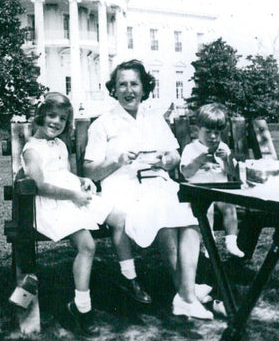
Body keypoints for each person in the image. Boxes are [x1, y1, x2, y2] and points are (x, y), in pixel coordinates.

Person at [83, 60, 214, 320]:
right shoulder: (103, 124)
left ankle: (185, 294)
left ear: (144, 88)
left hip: (158, 182)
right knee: (164, 215)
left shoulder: (154, 120)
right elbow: (89, 171)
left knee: (189, 219)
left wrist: (167, 160)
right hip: (123, 189)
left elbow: (175, 156)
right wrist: (117, 161)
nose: (128, 90)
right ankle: (188, 295)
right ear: (114, 89)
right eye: (122, 84)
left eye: (134, 84)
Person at [21, 92, 150, 337]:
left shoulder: (59, 144)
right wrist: (73, 195)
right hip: (51, 205)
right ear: (40, 116)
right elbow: (40, 185)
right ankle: (81, 307)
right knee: (87, 246)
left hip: (72, 197)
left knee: (118, 216)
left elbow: (62, 174)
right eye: (51, 115)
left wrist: (83, 181)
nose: (56, 122)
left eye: (62, 118)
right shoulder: (32, 149)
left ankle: (128, 277)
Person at [179, 103, 245, 258]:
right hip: (199, 191)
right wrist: (199, 160)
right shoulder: (191, 148)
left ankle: (231, 241)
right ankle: (209, 244)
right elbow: (186, 173)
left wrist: (227, 159)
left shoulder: (223, 148)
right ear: (198, 130)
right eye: (208, 132)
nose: (213, 137)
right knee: (205, 211)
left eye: (217, 132)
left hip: (220, 189)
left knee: (229, 207)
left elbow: (233, 173)